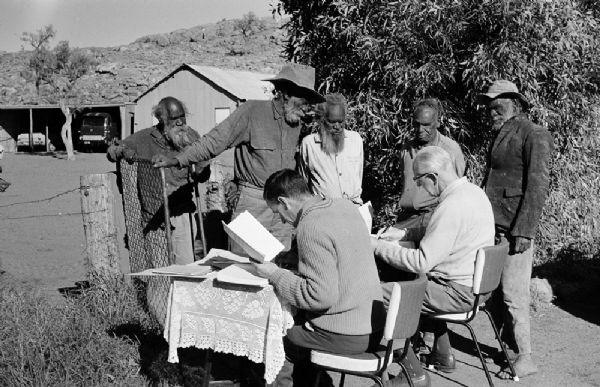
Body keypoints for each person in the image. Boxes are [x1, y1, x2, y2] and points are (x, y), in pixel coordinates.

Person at [152, 63, 325, 255]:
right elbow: (214, 141)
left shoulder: (296, 122)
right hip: (254, 204)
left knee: (279, 267)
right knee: (243, 266)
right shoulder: (252, 112)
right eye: (304, 99)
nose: (308, 106)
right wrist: (178, 159)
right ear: (285, 93)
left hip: (286, 205)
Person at [372, 146, 495, 387]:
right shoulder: (473, 193)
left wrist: (376, 246)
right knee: (413, 283)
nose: (419, 187)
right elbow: (443, 232)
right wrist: (405, 232)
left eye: (419, 181)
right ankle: (442, 353)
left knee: (379, 295)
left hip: (455, 292)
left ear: (433, 177)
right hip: (473, 286)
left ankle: (413, 373)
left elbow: (421, 261)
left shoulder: (451, 206)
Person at [252, 169, 385, 387]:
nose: (283, 221)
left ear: (284, 201)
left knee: (275, 337)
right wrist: (297, 258)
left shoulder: (310, 226)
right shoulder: (345, 206)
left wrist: (275, 274)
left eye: (278, 213)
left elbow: (319, 296)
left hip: (347, 334)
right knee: (297, 325)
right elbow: (341, 255)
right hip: (373, 325)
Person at [477, 80, 553, 378]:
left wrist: (524, 231)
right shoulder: (502, 134)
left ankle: (526, 357)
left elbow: (537, 186)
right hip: (494, 226)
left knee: (514, 292)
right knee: (495, 292)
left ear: (516, 105)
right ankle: (508, 348)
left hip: (514, 229)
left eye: (498, 107)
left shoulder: (534, 134)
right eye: (490, 108)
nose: (492, 113)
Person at [107, 96, 210, 264]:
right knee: (160, 272)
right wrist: (122, 152)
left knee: (186, 270)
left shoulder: (191, 136)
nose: (180, 124)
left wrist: (202, 161)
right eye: (174, 119)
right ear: (162, 120)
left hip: (182, 214)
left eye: (182, 118)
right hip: (154, 217)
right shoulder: (143, 138)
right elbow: (112, 151)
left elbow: (203, 176)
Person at [391, 98, 466, 237]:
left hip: (432, 218)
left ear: (437, 122)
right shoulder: (406, 150)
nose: (420, 130)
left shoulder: (450, 150)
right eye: (417, 124)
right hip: (407, 217)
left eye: (426, 125)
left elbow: (457, 190)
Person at [298, 93, 363, 204]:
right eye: (332, 122)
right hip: (323, 210)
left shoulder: (355, 140)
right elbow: (304, 181)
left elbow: (359, 174)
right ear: (322, 120)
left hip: (353, 209)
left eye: (341, 121)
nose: (337, 126)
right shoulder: (309, 144)